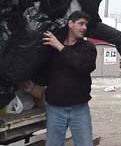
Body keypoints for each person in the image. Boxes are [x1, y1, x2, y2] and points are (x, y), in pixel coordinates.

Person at [42, 10, 96, 146]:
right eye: (81, 23)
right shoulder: (52, 46)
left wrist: (60, 47)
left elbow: (84, 66)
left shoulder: (88, 47)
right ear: (70, 24)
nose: (84, 27)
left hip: (79, 109)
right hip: (55, 109)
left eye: (86, 25)